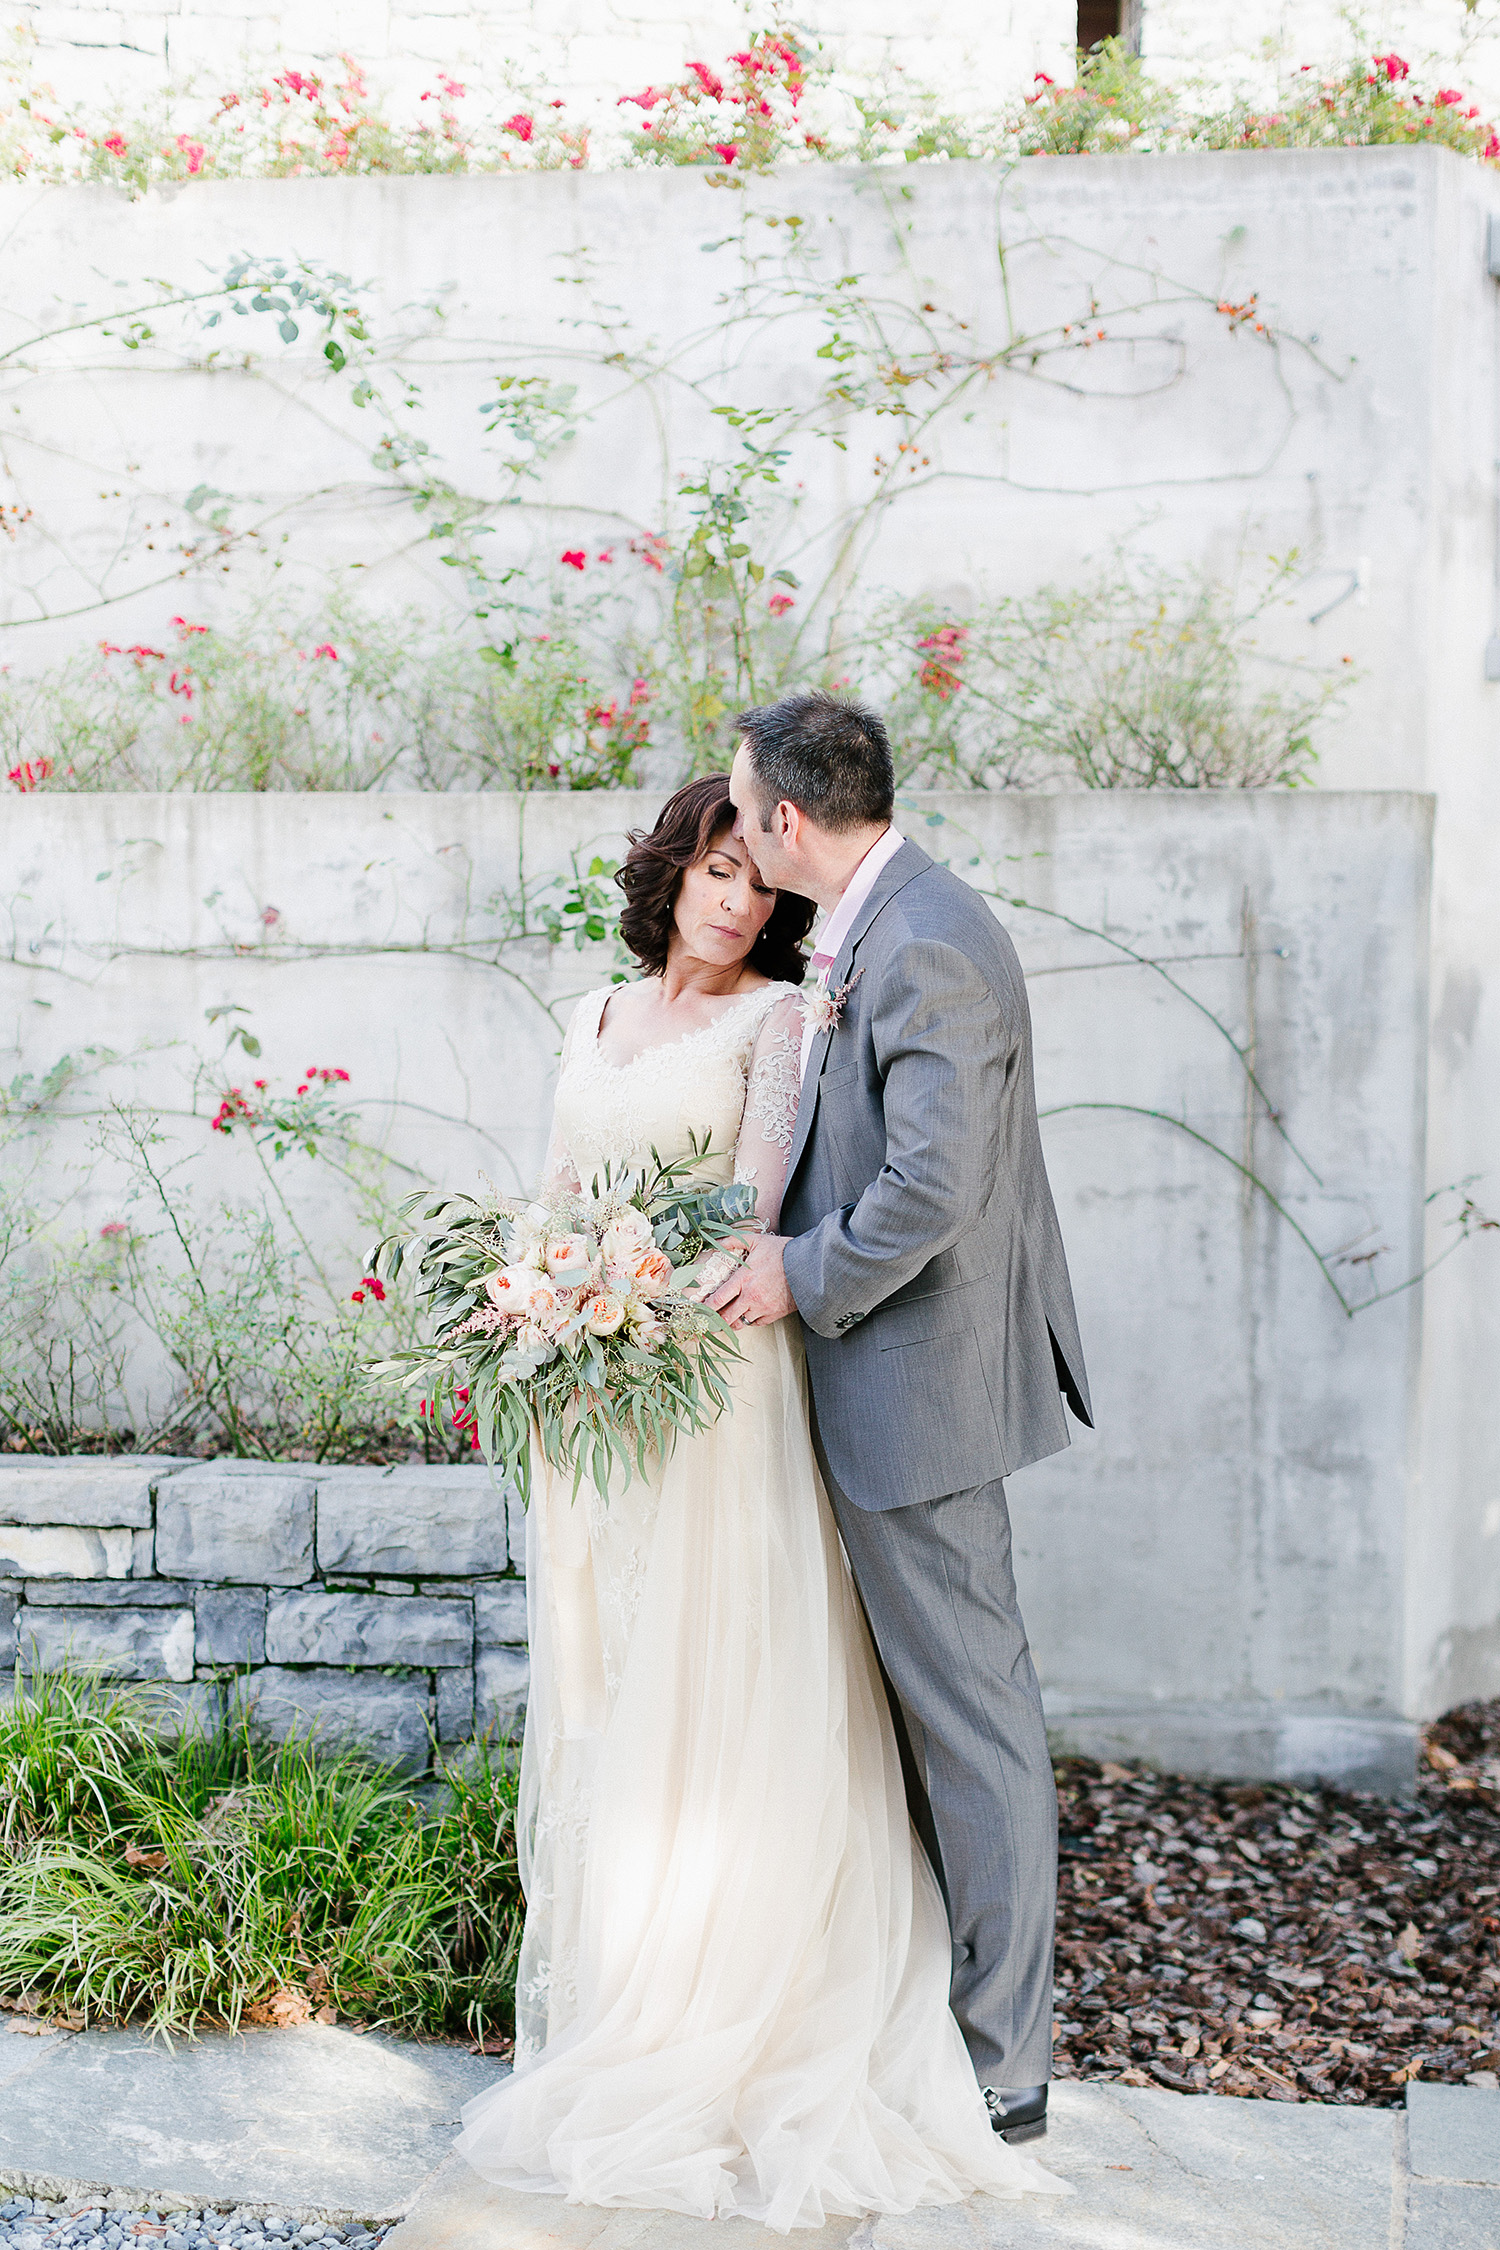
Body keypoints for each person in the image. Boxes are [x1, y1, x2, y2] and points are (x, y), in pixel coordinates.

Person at [454, 771, 1069, 2230]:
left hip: (710, 1387)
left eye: (758, 882)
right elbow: (554, 1186)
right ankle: (633, 1989)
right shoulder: (591, 1017)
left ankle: (744, 1999)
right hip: (593, 1399)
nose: (734, 900)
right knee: (615, 1690)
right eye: (714, 870)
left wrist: (621, 1300)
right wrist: (531, 1300)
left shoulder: (780, 1024)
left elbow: (750, 1204)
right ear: (672, 870)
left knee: (719, 1684)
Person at [713, 690, 1092, 2148]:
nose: (742, 837)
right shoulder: (885, 916)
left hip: (915, 1390)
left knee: (975, 1718)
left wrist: (793, 1273)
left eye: (747, 813)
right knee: (942, 1712)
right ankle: (949, 2018)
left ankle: (1004, 2060)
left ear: (789, 820)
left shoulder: (924, 940)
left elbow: (928, 1187)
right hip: (890, 1379)